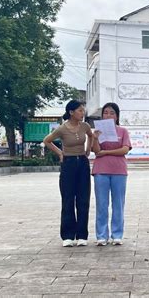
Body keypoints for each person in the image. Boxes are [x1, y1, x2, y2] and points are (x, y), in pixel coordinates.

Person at [43, 100, 93, 247]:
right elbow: (47, 140)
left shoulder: (85, 126)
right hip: (68, 164)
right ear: (71, 112)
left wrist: (88, 150)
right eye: (80, 111)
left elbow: (91, 136)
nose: (82, 113)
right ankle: (68, 236)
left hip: (82, 163)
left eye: (83, 111)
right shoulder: (62, 128)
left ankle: (82, 235)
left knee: (83, 199)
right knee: (68, 199)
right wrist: (60, 153)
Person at [91, 103, 131, 246]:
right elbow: (96, 151)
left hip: (119, 170)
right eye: (106, 113)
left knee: (118, 203)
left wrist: (106, 152)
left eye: (112, 113)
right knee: (102, 204)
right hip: (101, 170)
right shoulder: (98, 132)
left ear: (117, 116)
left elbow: (125, 149)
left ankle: (117, 234)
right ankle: (101, 235)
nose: (108, 115)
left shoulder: (123, 131)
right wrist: (95, 138)